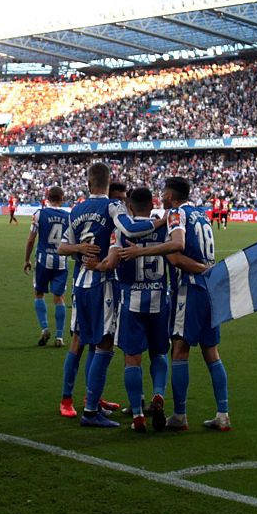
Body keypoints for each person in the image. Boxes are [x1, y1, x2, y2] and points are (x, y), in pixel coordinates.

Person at [57, 163, 155, 426]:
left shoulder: (76, 209)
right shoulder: (111, 207)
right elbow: (132, 230)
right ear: (108, 182)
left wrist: (80, 247)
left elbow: (62, 247)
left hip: (80, 282)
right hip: (103, 281)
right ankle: (90, 410)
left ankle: (80, 400)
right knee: (104, 342)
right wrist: (164, 220)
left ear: (89, 183)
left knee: (82, 340)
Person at [159, 176, 231, 431]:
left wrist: (199, 269)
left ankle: (179, 415)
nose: (162, 196)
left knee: (179, 349)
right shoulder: (201, 214)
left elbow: (177, 257)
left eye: (164, 192)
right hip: (210, 290)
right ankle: (223, 413)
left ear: (173, 195)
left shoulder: (177, 214)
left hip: (189, 290)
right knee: (211, 351)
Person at [100, 186, 173, 433]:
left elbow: (111, 263)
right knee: (159, 353)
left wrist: (94, 266)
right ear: (152, 205)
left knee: (132, 358)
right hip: (160, 300)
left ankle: (139, 415)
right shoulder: (163, 228)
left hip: (131, 301)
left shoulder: (121, 231)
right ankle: (159, 395)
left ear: (129, 206)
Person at [23, 186, 71, 347]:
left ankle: (44, 328)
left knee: (39, 293)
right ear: (62, 198)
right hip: (61, 261)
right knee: (59, 298)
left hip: (43, 260)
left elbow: (31, 240)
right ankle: (59, 337)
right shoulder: (69, 216)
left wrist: (26, 259)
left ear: (47, 197)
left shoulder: (39, 214)